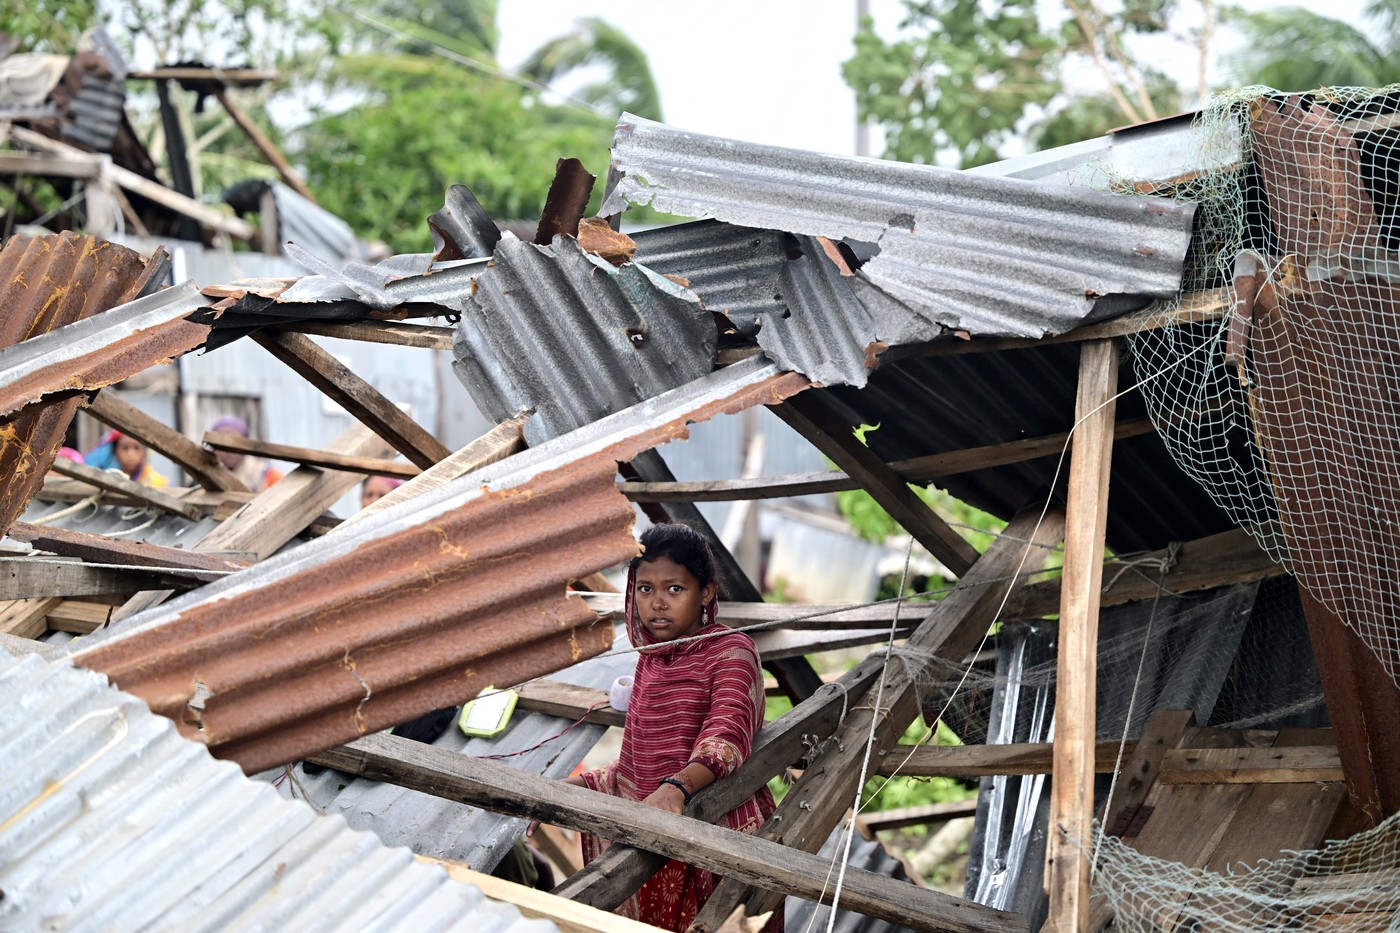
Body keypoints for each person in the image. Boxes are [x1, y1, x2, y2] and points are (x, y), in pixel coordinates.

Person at [532, 523, 781, 932]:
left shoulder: (732, 653)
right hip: (656, 829)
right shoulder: (652, 657)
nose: (657, 604)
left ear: (707, 591)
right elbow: (637, 767)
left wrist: (676, 787)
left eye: (675, 589)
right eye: (645, 589)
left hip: (715, 831)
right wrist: (566, 791)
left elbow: (727, 738)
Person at [208, 415, 282, 492]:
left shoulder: (269, 477)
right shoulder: (204, 477)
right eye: (221, 444)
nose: (228, 450)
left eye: (235, 442)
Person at [85, 430, 168, 487]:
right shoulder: (101, 478)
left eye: (136, 448)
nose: (130, 454)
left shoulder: (157, 483)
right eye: (125, 448)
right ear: (115, 452)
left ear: (144, 452)